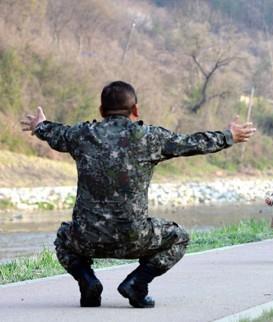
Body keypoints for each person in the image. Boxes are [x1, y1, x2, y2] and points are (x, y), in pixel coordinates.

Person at [20, 81, 256, 308]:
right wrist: (228, 136)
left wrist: (39, 125)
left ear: (101, 110)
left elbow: (54, 132)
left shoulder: (81, 136)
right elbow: (191, 143)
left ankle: (87, 281)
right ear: (135, 109)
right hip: (134, 238)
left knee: (63, 237)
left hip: (87, 239)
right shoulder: (149, 137)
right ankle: (137, 283)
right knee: (179, 237)